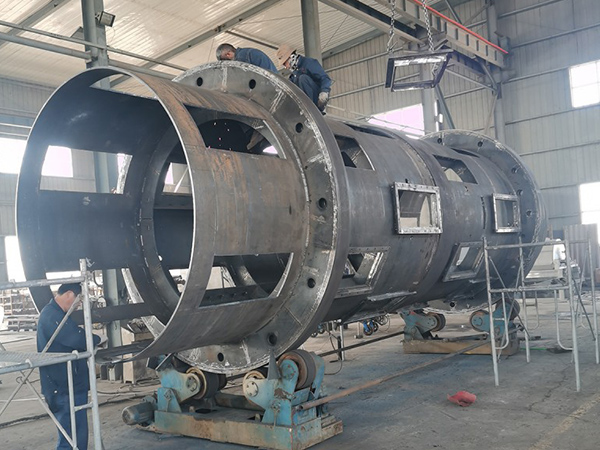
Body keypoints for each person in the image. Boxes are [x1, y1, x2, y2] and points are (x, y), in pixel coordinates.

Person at [37, 283, 101, 450]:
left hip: (71, 382)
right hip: (62, 386)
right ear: (69, 294)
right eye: (79, 300)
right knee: (70, 436)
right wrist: (97, 339)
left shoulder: (58, 314)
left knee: (78, 433)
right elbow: (75, 338)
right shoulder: (52, 315)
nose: (78, 305)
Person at [276, 44, 332, 112]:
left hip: (316, 99)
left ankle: (310, 108)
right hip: (303, 102)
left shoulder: (309, 63)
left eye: (285, 63)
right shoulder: (294, 75)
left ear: (291, 57)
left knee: (303, 78)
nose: (286, 67)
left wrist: (324, 92)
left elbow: (324, 78)